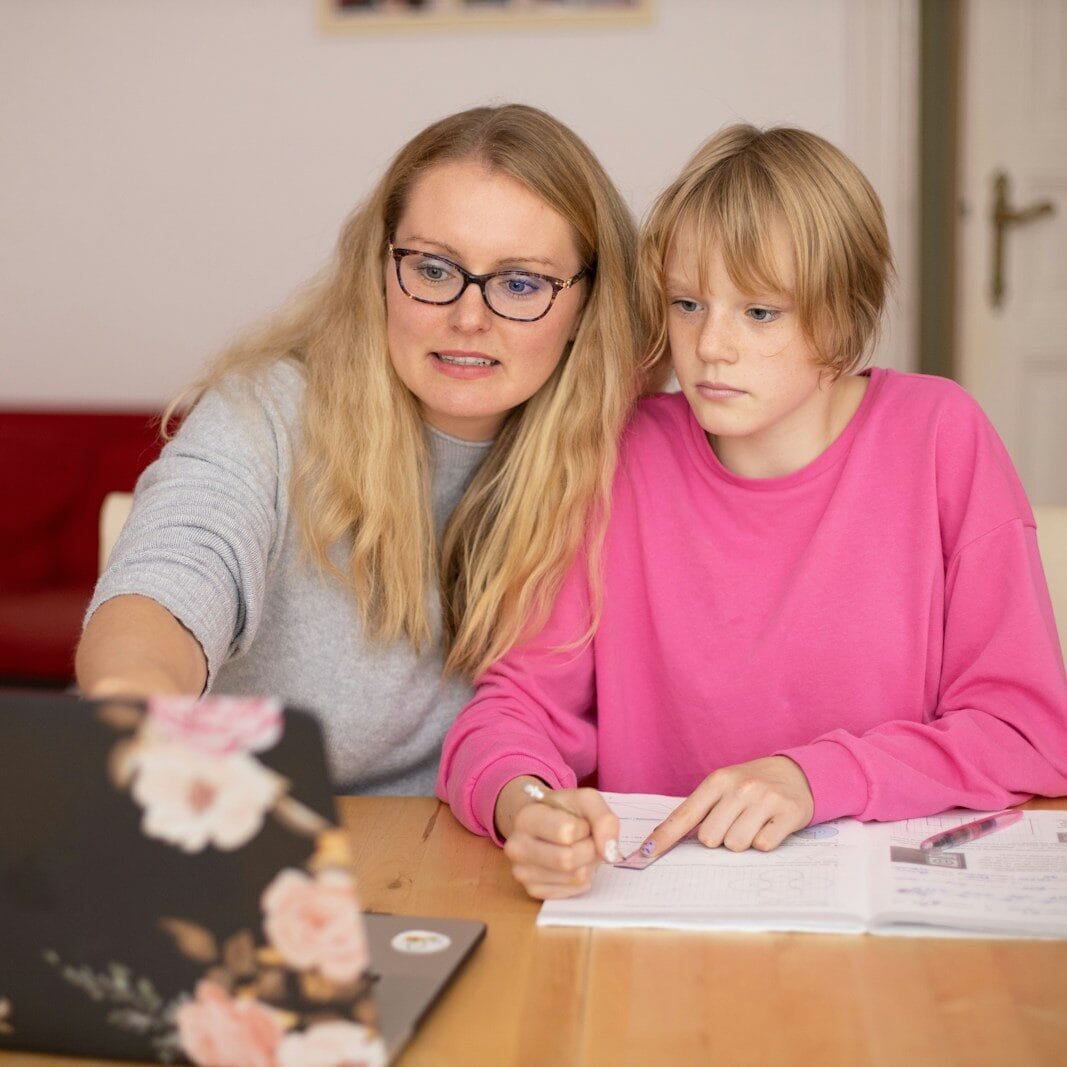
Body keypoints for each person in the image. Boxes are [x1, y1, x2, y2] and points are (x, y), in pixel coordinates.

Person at [437, 123, 1067, 899]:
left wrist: (813, 777)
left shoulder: (939, 435)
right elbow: (514, 708)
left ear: (841, 317)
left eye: (759, 312)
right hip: (657, 913)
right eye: (687, 303)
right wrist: (526, 804)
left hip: (882, 919)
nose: (710, 345)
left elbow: (1023, 732)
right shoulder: (621, 452)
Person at [76, 103, 660, 794]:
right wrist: (135, 700)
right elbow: (172, 575)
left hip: (452, 844)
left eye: (520, 283)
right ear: (379, 268)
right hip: (229, 819)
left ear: (586, 304)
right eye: (435, 269)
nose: (468, 317)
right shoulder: (267, 412)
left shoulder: (624, 457)